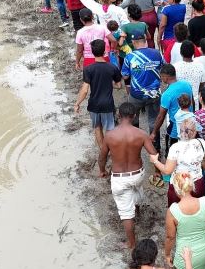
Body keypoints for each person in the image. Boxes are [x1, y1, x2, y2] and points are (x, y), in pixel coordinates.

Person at [101, 103, 158, 249]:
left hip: (120, 178)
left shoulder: (109, 135)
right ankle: (136, 212)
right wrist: (158, 172)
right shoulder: (141, 134)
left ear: (118, 116)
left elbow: (102, 157)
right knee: (136, 190)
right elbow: (153, 154)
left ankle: (131, 244)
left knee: (126, 214)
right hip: (137, 174)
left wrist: (102, 170)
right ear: (134, 116)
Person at [75, 38, 122, 148]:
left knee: (97, 127)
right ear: (104, 51)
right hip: (108, 103)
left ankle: (103, 149)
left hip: (94, 104)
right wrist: (109, 84)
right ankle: (111, 148)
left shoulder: (88, 69)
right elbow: (119, 85)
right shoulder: (112, 67)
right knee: (110, 128)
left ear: (92, 52)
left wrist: (77, 103)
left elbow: (85, 90)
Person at [122, 30, 163, 145]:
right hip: (155, 94)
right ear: (145, 39)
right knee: (154, 120)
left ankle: (136, 143)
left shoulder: (129, 57)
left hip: (136, 94)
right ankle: (156, 146)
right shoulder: (157, 53)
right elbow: (164, 68)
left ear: (133, 42)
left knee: (133, 118)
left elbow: (125, 76)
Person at [150, 64, 192, 160]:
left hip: (175, 128)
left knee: (171, 154)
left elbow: (161, 116)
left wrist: (154, 132)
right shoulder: (187, 84)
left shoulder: (167, 94)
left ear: (166, 76)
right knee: (187, 150)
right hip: (190, 123)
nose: (161, 79)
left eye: (161, 76)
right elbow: (192, 102)